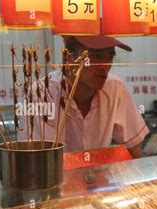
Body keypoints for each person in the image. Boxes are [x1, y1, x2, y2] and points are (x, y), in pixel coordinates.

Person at [19, 35, 149, 158]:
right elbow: (40, 164)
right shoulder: (41, 95)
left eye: (109, 57)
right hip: (55, 180)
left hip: (99, 180)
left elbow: (134, 148)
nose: (105, 66)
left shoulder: (114, 87)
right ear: (69, 57)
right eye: (96, 56)